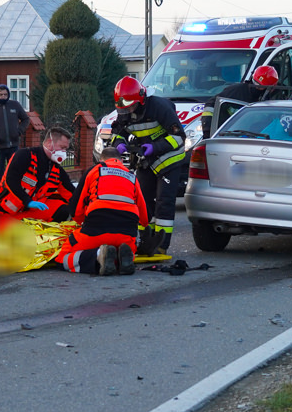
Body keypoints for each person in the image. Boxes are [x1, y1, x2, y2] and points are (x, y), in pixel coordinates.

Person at [111, 76, 185, 256]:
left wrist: (155, 147)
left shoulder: (160, 107)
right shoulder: (125, 110)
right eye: (124, 108)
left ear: (141, 99)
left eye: (130, 106)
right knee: (142, 201)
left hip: (169, 159)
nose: (128, 111)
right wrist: (118, 143)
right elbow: (116, 133)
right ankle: (146, 241)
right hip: (147, 160)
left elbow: (178, 137)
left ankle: (161, 245)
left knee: (164, 203)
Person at [55, 147, 149, 276]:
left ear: (101, 160)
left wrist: (81, 222)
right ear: (120, 160)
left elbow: (76, 207)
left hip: (97, 227)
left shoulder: (94, 170)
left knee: (62, 258)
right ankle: (122, 256)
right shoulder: (131, 176)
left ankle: (99, 255)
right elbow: (144, 216)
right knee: (123, 245)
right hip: (126, 232)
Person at [0, 126, 74, 222]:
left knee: (62, 209)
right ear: (49, 142)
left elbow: (72, 193)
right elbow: (11, 180)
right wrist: (27, 201)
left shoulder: (57, 170)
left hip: (29, 212)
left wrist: (88, 209)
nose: (64, 152)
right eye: (62, 147)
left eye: (66, 149)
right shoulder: (25, 155)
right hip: (5, 212)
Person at [201, 66, 279, 139]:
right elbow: (211, 105)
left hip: (255, 138)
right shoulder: (237, 91)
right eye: (256, 84)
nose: (257, 88)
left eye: (261, 87)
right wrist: (208, 130)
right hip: (227, 134)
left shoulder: (274, 99)